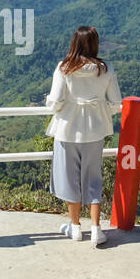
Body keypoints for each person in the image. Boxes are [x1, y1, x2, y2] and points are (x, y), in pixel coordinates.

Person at [44, 25, 123, 248]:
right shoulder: (105, 70)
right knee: (93, 179)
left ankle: (75, 227)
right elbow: (116, 104)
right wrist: (97, 109)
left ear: (74, 43)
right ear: (95, 44)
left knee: (69, 178)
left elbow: (56, 102)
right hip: (95, 131)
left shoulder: (64, 68)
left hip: (67, 130)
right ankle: (97, 229)